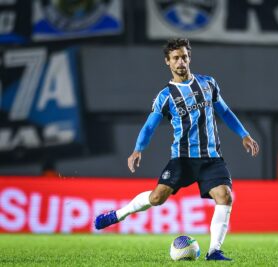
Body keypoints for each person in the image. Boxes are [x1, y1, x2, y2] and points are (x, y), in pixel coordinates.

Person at [94, 38, 259, 261]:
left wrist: (244, 135)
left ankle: (214, 251)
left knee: (225, 196)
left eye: (184, 56)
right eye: (175, 58)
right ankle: (118, 215)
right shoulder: (165, 96)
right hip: (182, 159)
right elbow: (150, 126)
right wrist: (137, 149)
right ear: (168, 62)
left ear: (189, 58)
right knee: (156, 198)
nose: (181, 61)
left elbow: (225, 112)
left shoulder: (208, 84)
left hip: (211, 158)